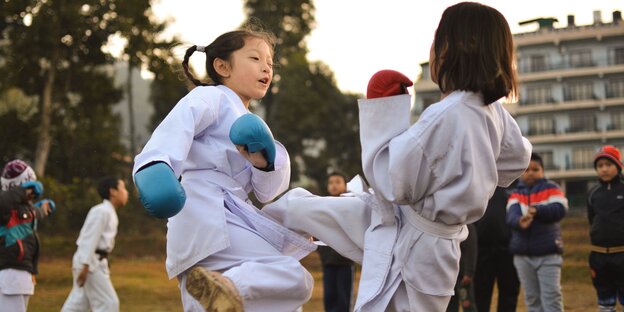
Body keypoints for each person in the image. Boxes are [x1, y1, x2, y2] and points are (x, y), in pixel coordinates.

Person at [263, 2, 532, 311]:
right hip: (429, 234)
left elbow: (392, 183)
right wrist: (470, 171)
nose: (432, 50)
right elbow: (516, 161)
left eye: (437, 40)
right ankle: (242, 257)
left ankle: (241, 255)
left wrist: (384, 114)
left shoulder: (446, 114)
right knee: (301, 207)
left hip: (418, 239)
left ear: (456, 48)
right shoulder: (492, 112)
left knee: (302, 209)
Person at [132, 26, 315, 312]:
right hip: (207, 210)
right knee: (293, 278)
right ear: (222, 66)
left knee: (228, 303)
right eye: (255, 59)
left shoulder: (255, 123)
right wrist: (155, 167)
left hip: (228, 217)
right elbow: (177, 128)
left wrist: (264, 164)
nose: (266, 68)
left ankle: (225, 287)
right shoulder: (211, 97)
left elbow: (267, 193)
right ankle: (230, 285)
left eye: (270, 63)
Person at [506, 153, 567, 312]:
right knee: (531, 299)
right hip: (522, 256)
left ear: (542, 170)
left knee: (552, 296)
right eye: (527, 170)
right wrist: (520, 222)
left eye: (535, 169)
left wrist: (537, 210)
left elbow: (560, 210)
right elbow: (511, 216)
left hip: (548, 253)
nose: (531, 173)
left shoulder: (552, 188)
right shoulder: (515, 194)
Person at [61, 176, 128, 312]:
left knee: (79, 304)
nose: (126, 192)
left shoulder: (109, 212)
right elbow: (89, 239)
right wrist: (85, 266)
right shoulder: (101, 211)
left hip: (95, 262)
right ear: (113, 191)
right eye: (123, 188)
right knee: (109, 303)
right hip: (90, 263)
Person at [0, 159, 55, 312]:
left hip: (22, 274)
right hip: (10, 274)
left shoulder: (21, 209)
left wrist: (43, 208)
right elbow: (4, 202)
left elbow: (33, 214)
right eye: (30, 189)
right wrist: (22, 190)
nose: (32, 194)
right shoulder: (5, 210)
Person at [587, 145, 624, 312]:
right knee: (605, 301)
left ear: (618, 166)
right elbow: (591, 220)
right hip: (599, 256)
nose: (604, 169)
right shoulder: (593, 193)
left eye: (608, 164)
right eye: (600, 166)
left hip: (622, 253)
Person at [473, 186, 520, 312]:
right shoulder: (479, 184)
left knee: (509, 293)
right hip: (481, 250)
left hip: (508, 250)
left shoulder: (515, 185)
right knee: (480, 294)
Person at [318, 172, 355, 312]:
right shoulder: (323, 205)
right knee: (329, 297)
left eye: (337, 182)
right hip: (328, 261)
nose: (334, 185)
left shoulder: (350, 205)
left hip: (345, 261)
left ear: (346, 186)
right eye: (331, 182)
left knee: (343, 299)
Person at [446, 223, 477, 312]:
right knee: (450, 306)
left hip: (463, 277)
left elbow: (471, 251)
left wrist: (469, 273)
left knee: (468, 305)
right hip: (449, 275)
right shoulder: (447, 226)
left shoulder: (468, 226)